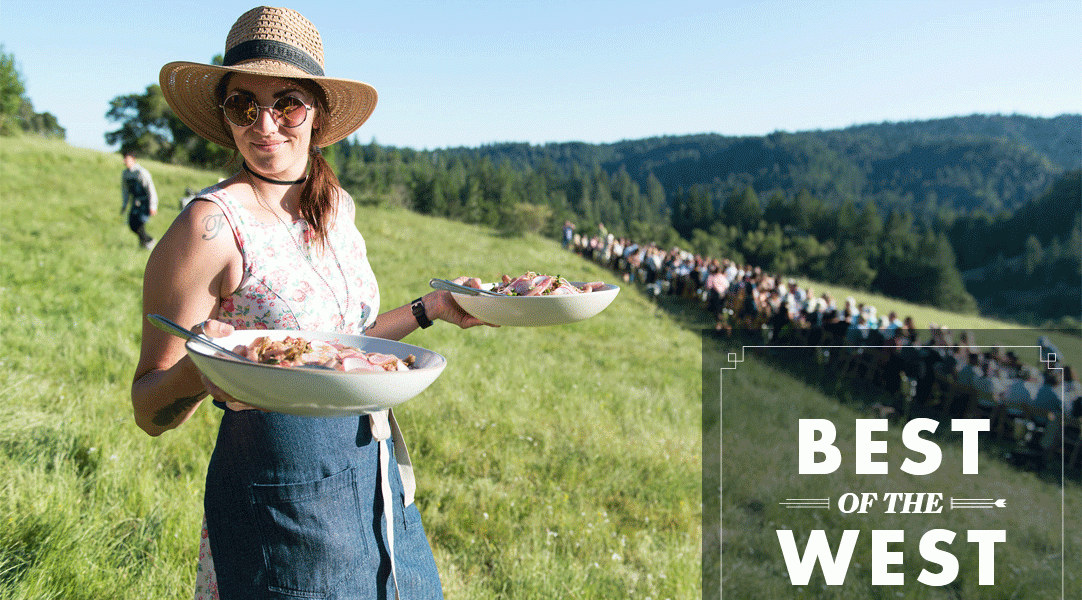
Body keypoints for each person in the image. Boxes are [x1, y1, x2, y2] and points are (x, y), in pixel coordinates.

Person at [135, 7, 489, 599]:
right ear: (226, 117)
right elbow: (149, 407)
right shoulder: (209, 227)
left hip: (368, 466)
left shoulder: (337, 208)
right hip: (276, 490)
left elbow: (330, 347)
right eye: (243, 105)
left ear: (317, 112)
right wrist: (205, 372)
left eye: (287, 104)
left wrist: (430, 310)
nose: (265, 124)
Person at [120, 151, 158, 248]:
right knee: (132, 225)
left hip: (145, 202)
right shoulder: (125, 174)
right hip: (135, 202)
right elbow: (125, 191)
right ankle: (148, 240)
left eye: (127, 159)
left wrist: (153, 205)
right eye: (124, 159)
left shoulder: (141, 172)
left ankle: (145, 244)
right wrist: (124, 205)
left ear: (133, 160)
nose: (125, 161)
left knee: (140, 223)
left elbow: (150, 189)